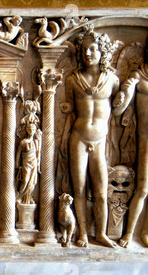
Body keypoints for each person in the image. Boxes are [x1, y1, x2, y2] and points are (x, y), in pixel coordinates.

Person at [65, 26, 121, 248]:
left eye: (93, 49)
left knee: (100, 190)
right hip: (78, 137)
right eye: (85, 49)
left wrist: (124, 97)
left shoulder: (112, 80)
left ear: (102, 52)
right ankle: (83, 232)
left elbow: (118, 112)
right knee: (79, 188)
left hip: (100, 140)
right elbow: (67, 110)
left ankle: (102, 234)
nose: (88, 53)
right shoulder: (73, 79)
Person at [113, 42, 148, 248]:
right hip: (145, 138)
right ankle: (128, 233)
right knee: (143, 188)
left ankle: (145, 231)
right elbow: (120, 108)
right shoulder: (139, 75)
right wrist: (123, 96)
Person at [16, 123, 41, 204]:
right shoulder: (23, 142)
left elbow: (38, 153)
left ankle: (29, 198)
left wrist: (38, 165)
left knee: (33, 181)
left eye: (33, 129)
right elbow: (18, 154)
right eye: (29, 129)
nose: (31, 131)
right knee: (26, 180)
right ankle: (20, 196)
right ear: (26, 130)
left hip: (33, 162)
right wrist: (16, 163)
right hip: (26, 163)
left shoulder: (36, 142)